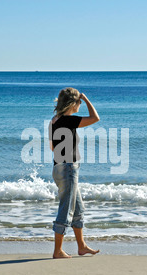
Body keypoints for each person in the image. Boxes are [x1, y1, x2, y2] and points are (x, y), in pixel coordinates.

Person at [48, 87, 100, 259]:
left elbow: (52, 147)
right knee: (66, 210)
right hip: (68, 168)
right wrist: (86, 99)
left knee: (77, 209)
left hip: (58, 168)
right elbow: (95, 118)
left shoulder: (54, 120)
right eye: (78, 102)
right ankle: (58, 251)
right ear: (73, 103)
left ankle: (82, 246)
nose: (80, 104)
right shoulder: (68, 121)